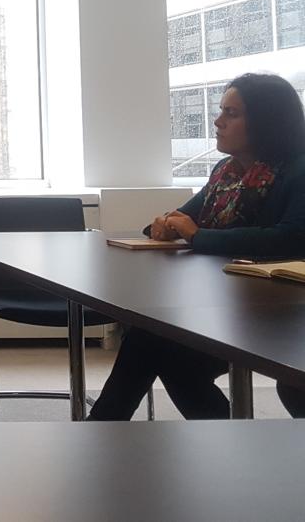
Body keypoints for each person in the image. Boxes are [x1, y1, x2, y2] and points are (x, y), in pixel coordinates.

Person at [88, 72, 305, 420]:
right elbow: (186, 219)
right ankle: (223, 443)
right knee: (157, 343)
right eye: (221, 111)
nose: (218, 122)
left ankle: (99, 434)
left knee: (155, 343)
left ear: (267, 120)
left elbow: (290, 237)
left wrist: (196, 235)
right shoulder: (227, 172)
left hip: (282, 314)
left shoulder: (298, 170)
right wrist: (162, 225)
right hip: (228, 305)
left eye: (232, 114)